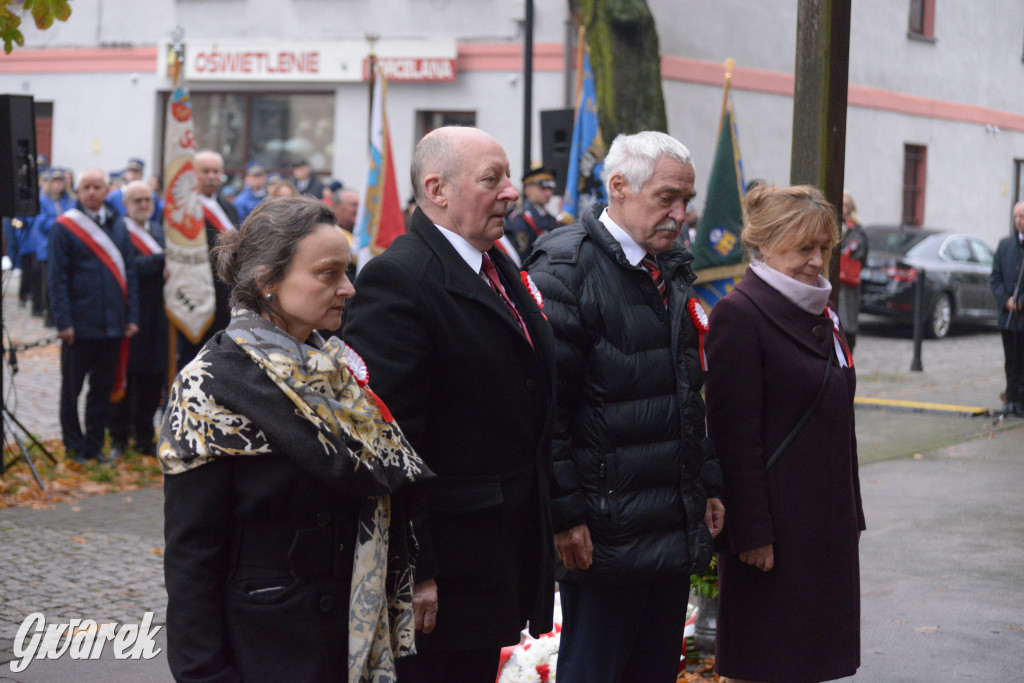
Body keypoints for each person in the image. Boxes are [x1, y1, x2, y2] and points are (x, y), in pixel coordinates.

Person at [159, 195, 433, 682]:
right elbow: (192, 554)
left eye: (347, 271)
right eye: (328, 274)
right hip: (268, 644)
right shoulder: (211, 384)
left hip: (351, 636)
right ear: (267, 282)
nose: (348, 288)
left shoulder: (334, 371)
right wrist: (204, 673)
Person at [343, 125, 556, 682]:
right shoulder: (401, 278)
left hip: (491, 553)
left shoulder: (492, 264)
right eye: (493, 179)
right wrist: (415, 570)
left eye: (507, 177)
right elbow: (391, 443)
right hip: (447, 567)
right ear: (437, 190)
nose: (511, 191)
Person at [526, 131, 724, 683]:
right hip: (603, 533)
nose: (681, 214)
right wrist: (565, 516)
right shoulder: (565, 269)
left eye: (687, 199)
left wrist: (705, 484)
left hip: (668, 521)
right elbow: (550, 412)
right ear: (618, 186)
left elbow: (688, 395)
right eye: (667, 198)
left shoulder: (671, 268)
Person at [704, 184, 865, 683]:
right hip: (774, 534)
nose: (817, 261)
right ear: (766, 246)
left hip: (824, 528)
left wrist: (850, 513)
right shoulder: (740, 315)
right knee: (770, 663)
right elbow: (734, 439)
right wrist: (751, 533)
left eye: (823, 248)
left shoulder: (822, 311)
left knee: (812, 664)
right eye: (803, 249)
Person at [49, 168, 139, 463]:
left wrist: (131, 317)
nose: (91, 192)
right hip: (79, 325)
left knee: (101, 392)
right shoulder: (64, 227)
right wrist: (63, 322)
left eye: (97, 187)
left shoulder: (118, 225)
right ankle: (74, 448)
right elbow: (57, 279)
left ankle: (94, 446)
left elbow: (130, 273)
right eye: (86, 187)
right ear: (78, 191)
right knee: (71, 392)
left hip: (113, 325)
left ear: (105, 191)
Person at [108, 181, 166, 458]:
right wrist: (160, 261)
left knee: (152, 380)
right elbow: (128, 267)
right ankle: (119, 437)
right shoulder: (119, 231)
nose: (144, 205)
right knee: (126, 379)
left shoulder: (158, 231)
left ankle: (145, 437)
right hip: (131, 316)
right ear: (126, 205)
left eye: (148, 200)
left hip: (158, 318)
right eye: (138, 201)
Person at [176, 150, 240, 368]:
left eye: (216, 171)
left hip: (226, 295)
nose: (212, 176)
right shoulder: (184, 209)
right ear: (194, 174)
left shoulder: (229, 207)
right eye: (206, 171)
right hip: (197, 293)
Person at [990, 201, 1024, 417]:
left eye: (1022, 216)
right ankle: (1010, 398)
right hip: (1008, 316)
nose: (1018, 221)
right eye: (1016, 217)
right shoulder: (1004, 246)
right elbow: (995, 278)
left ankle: (1021, 399)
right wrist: (1006, 300)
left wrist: (1022, 301)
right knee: (1010, 359)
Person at [31, 167, 75, 325]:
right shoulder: (43, 199)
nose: (58, 184)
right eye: (55, 181)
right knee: (49, 283)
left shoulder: (70, 200)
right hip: (47, 246)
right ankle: (48, 313)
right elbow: (40, 223)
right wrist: (60, 223)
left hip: (67, 247)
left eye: (61, 181)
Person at [505, 165, 560, 262]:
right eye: (542, 188)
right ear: (527, 190)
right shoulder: (520, 220)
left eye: (550, 188)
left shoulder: (552, 219)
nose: (548, 193)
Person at [838, 190, 869, 351]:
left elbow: (860, 255)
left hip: (848, 285)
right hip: (834, 283)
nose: (842, 208)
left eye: (845, 205)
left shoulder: (856, 231)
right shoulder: (835, 225)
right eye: (840, 204)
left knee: (847, 325)